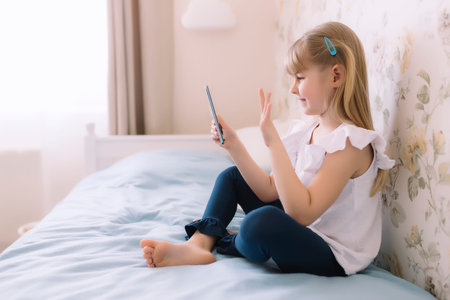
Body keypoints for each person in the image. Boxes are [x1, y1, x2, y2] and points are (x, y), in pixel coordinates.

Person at [140, 21, 395, 276]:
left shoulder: (351, 144)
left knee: (259, 224)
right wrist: (234, 145)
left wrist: (274, 143)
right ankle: (199, 244)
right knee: (232, 177)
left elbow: (302, 213)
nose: (293, 89)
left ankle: (225, 240)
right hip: (302, 228)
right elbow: (269, 190)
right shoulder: (309, 130)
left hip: (331, 253)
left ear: (335, 76)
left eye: (300, 78)